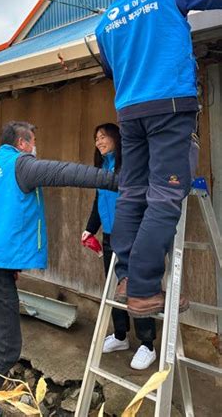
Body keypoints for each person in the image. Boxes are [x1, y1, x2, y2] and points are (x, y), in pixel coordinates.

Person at [95, 0, 222, 317]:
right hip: (169, 106)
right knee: (166, 194)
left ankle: (125, 276)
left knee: (133, 191)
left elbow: (111, 69)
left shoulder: (105, 25)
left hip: (130, 114)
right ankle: (144, 289)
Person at [0, 121, 118, 417]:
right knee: (7, 347)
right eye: (32, 142)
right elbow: (65, 172)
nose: (34, 148)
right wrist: (113, 180)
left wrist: (12, 263)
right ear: (22, 143)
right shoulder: (21, 165)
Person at [82, 123, 157, 370]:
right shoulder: (101, 169)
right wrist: (90, 228)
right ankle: (121, 336)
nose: (98, 141)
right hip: (110, 236)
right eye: (96, 138)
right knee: (113, 287)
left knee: (137, 287)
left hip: (133, 235)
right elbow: (98, 201)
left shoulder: (129, 166)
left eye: (103, 136)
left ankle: (147, 345)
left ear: (116, 137)